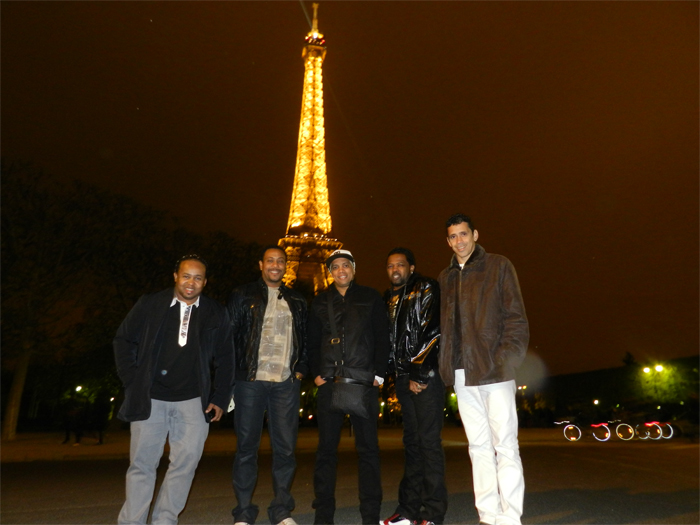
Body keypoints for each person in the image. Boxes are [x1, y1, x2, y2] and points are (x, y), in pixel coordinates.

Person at [114, 254, 233, 525]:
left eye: (198, 277)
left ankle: (165, 521)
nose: (191, 282)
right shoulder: (150, 303)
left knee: (185, 466)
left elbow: (227, 358)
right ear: (175, 276)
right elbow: (123, 340)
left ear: (205, 282)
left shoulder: (216, 311)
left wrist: (220, 398)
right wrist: (132, 382)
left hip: (194, 401)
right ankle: (132, 522)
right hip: (150, 399)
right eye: (186, 276)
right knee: (142, 466)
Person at [438, 214, 529, 525]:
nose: (459, 241)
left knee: (505, 444)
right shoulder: (445, 277)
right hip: (463, 373)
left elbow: (515, 317)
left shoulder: (498, 265)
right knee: (477, 447)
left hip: (495, 370)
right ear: (448, 240)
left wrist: (506, 360)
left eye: (463, 234)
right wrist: (446, 367)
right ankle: (488, 514)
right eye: (453, 236)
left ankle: (511, 515)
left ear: (475, 234)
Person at [308, 249, 390, 525]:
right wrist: (315, 373)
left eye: (346, 265)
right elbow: (310, 340)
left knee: (368, 451)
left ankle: (370, 515)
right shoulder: (320, 301)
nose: (341, 270)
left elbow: (382, 335)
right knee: (326, 452)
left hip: (362, 381)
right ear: (330, 272)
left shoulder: (370, 297)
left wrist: (379, 373)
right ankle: (323, 515)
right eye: (335, 267)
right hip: (330, 382)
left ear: (354, 268)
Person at [227, 245, 309, 525]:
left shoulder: (297, 299)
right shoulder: (241, 295)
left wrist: (299, 372)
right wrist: (231, 376)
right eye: (270, 260)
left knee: (285, 449)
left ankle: (281, 510)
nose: (276, 265)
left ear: (286, 266)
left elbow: (305, 339)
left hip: (285, 383)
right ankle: (243, 512)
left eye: (280, 261)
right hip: (250, 381)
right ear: (260, 264)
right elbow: (229, 337)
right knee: (246, 448)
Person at [381, 248, 447, 525]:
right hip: (403, 376)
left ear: (411, 267)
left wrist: (419, 373)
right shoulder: (387, 299)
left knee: (428, 443)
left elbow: (432, 330)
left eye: (400, 264)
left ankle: (431, 514)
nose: (395, 269)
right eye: (390, 265)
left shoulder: (426, 287)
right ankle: (408, 509)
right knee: (412, 444)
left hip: (425, 376)